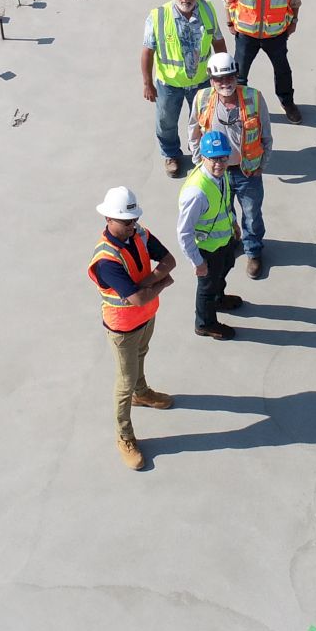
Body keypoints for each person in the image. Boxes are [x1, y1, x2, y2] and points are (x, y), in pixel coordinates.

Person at [87, 186, 178, 470]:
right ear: (108, 219)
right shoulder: (106, 260)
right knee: (123, 383)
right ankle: (124, 436)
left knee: (142, 355)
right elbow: (137, 297)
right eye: (126, 221)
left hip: (146, 317)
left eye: (133, 219)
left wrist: (149, 285)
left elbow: (169, 260)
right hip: (123, 327)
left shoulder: (139, 234)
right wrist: (160, 282)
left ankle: (143, 392)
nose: (132, 225)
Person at [188, 51, 273, 278]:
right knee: (225, 211)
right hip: (217, 173)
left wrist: (261, 164)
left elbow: (266, 134)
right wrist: (200, 164)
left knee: (252, 214)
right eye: (219, 79)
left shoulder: (254, 98)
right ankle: (233, 240)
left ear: (236, 76)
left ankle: (253, 251)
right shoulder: (202, 99)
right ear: (211, 80)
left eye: (229, 77)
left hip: (248, 171)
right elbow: (194, 133)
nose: (225, 83)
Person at [141, 0, 227, 177]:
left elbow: (218, 42)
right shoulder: (158, 16)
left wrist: (222, 74)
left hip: (202, 82)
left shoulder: (207, 10)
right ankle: (171, 154)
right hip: (169, 84)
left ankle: (201, 153)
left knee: (203, 120)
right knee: (166, 122)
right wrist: (147, 83)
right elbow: (147, 52)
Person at [223, 0, 303, 124]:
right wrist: (230, 22)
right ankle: (237, 107)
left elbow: (294, 0)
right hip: (246, 33)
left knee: (283, 70)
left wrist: (293, 21)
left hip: (276, 34)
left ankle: (287, 103)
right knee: (239, 74)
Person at [176, 129, 241, 340]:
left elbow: (224, 203)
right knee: (207, 285)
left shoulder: (221, 176)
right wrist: (197, 262)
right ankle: (205, 323)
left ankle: (218, 298)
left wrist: (233, 223)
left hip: (223, 241)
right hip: (206, 249)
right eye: (212, 159)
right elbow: (184, 232)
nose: (218, 164)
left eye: (222, 158)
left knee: (225, 268)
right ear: (203, 157)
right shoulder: (196, 193)